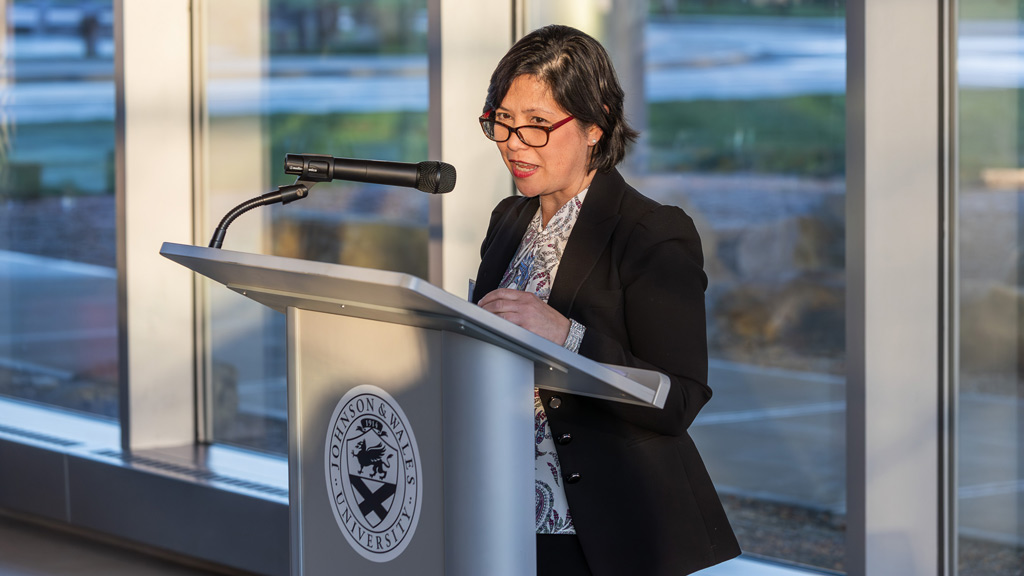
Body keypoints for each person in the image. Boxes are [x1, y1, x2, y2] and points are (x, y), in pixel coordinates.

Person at [470, 24, 741, 576]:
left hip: (597, 533)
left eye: (537, 126)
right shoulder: (509, 219)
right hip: (500, 512)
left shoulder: (653, 233)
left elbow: (679, 401)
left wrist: (567, 338)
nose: (513, 143)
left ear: (596, 123)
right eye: (501, 120)